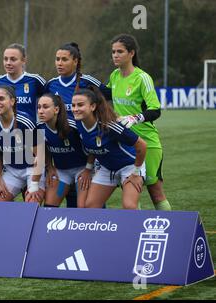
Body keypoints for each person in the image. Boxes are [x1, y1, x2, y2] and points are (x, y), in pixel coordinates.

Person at [107, 34, 171, 211]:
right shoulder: (114, 76)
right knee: (132, 191)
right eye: (113, 52)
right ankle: (136, 234)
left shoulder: (142, 78)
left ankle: (169, 231)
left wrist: (134, 118)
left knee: (155, 191)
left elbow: (155, 110)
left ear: (131, 53)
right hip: (126, 143)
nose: (115, 55)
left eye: (120, 51)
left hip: (147, 142)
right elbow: (104, 95)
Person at [45, 42, 110, 208]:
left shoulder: (87, 82)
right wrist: (49, 166)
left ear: (75, 61)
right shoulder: (51, 85)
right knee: (52, 205)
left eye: (64, 59)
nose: (59, 63)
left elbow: (107, 98)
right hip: (62, 162)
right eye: (57, 59)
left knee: (87, 207)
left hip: (85, 159)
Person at [71, 87, 147, 209]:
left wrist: (136, 172)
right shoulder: (79, 123)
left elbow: (142, 145)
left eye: (80, 105)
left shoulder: (110, 125)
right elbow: (92, 147)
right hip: (107, 168)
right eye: (73, 105)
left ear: (93, 107)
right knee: (90, 207)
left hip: (130, 166)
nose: (75, 109)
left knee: (129, 207)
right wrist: (88, 169)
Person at [0, 85, 45, 203]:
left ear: (12, 101)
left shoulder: (26, 122)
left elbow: (40, 156)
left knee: (32, 203)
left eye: (1, 99)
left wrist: (34, 184)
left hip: (32, 169)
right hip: (11, 170)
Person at [37, 93, 93, 208]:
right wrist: (49, 167)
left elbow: (93, 147)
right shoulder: (39, 127)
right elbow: (42, 149)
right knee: (49, 207)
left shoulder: (74, 126)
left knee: (83, 207)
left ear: (56, 109)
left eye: (45, 107)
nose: (41, 111)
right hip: (61, 171)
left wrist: (88, 169)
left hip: (83, 169)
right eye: (39, 107)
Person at [0, 43, 46, 122]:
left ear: (24, 60)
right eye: (5, 59)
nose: (8, 63)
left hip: (29, 132)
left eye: (13, 59)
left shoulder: (35, 80)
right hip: (4, 132)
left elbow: (51, 102)